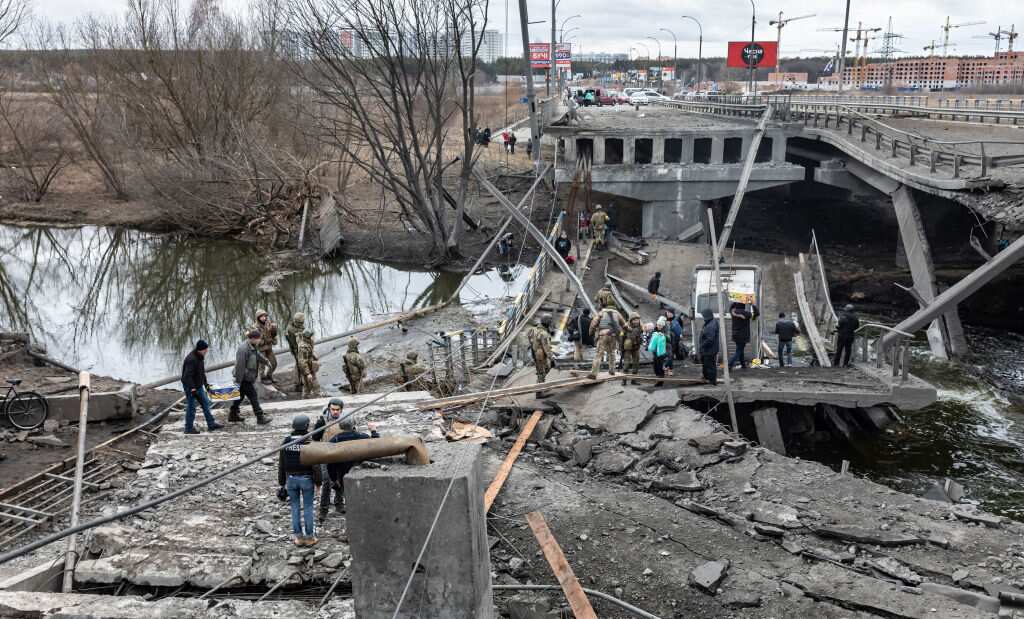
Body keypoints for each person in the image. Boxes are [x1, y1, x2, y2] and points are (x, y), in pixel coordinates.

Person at [278, 414, 322, 546]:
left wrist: (282, 483)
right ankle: (309, 537)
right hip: (306, 479)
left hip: (291, 479)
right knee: (308, 507)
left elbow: (282, 464)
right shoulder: (308, 442)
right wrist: (318, 482)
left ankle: (298, 538)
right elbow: (316, 464)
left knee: (295, 507)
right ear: (306, 426)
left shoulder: (286, 442)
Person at [325, 417, 380, 513]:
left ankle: (352, 513)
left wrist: (333, 478)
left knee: (349, 496)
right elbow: (377, 446)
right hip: (361, 471)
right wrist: (374, 431)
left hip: (342, 473)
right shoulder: (362, 436)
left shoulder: (335, 439)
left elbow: (330, 462)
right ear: (354, 425)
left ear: (340, 426)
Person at [312, 398, 346, 520]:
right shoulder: (322, 421)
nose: (335, 412)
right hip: (326, 455)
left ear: (341, 410)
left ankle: (339, 504)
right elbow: (315, 438)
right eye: (333, 409)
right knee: (327, 482)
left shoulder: (346, 419)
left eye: (338, 410)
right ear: (329, 408)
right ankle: (323, 509)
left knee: (340, 479)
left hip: (341, 454)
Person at [180, 339, 223, 434]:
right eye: (205, 350)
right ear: (201, 349)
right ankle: (188, 428)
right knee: (191, 407)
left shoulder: (200, 357)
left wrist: (206, 384)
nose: (207, 351)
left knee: (205, 403)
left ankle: (211, 424)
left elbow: (201, 373)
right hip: (190, 386)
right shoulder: (191, 359)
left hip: (198, 385)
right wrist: (192, 388)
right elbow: (187, 376)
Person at [230, 330, 270, 424]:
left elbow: (257, 355)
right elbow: (240, 366)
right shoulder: (243, 349)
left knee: (240, 396)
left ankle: (233, 414)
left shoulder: (252, 346)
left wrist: (266, 361)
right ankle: (260, 417)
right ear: (252, 339)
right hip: (244, 378)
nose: (260, 341)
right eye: (258, 339)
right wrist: (239, 381)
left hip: (248, 377)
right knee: (253, 396)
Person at [588, 304, 627, 378]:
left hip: (603, 335)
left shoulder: (601, 313)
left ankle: (593, 373)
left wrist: (591, 333)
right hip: (613, 335)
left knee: (599, 354)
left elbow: (593, 324)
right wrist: (628, 331)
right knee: (612, 353)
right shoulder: (617, 314)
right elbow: (624, 325)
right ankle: (612, 370)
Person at [728, 301, 759, 370]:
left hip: (735, 335)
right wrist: (752, 305)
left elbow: (730, 308)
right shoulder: (747, 313)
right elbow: (757, 313)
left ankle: (743, 365)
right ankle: (729, 364)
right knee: (739, 350)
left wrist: (734, 303)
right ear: (744, 306)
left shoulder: (733, 312)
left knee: (740, 349)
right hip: (743, 336)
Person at [529, 315, 554, 394]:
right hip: (540, 354)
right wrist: (551, 358)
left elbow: (530, 338)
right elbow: (546, 348)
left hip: (535, 352)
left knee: (545, 369)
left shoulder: (534, 329)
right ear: (547, 324)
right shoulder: (544, 333)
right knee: (542, 372)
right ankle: (539, 392)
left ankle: (541, 386)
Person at [253, 310, 278, 384]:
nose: (264, 318)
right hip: (261, 350)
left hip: (269, 349)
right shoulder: (255, 328)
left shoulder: (269, 324)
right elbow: (255, 341)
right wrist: (265, 341)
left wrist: (274, 333)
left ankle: (269, 375)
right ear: (258, 318)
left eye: (265, 316)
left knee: (274, 363)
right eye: (262, 317)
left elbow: (273, 336)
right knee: (262, 366)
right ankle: (263, 379)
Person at [833, 304, 860, 368]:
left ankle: (836, 363)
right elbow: (857, 327)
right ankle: (845, 364)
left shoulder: (843, 316)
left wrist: (837, 328)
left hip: (842, 335)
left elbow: (839, 325)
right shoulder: (855, 318)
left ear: (847, 309)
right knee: (848, 350)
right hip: (850, 336)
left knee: (839, 349)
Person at [296, 329, 321, 397]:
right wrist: (308, 373)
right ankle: (317, 398)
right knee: (314, 386)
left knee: (307, 387)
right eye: (311, 336)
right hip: (307, 370)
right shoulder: (303, 347)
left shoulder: (307, 343)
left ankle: (307, 398)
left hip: (309, 368)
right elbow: (302, 361)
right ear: (308, 337)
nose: (313, 337)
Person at [621, 312, 644, 383]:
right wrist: (621, 348)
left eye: (637, 319)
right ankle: (624, 380)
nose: (636, 321)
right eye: (634, 320)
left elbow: (641, 336)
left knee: (636, 363)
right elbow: (621, 337)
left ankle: (634, 380)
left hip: (636, 347)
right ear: (631, 320)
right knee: (626, 364)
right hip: (628, 348)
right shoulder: (626, 327)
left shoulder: (640, 327)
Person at [699, 308, 719, 385]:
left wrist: (702, 345)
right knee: (707, 364)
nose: (703, 317)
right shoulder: (710, 322)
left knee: (710, 365)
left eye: (703, 316)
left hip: (709, 350)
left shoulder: (711, 325)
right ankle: (707, 378)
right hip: (708, 349)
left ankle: (712, 381)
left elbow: (710, 339)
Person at [285, 312, 306, 388]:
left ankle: (299, 380)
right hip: (296, 349)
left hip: (298, 348)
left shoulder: (294, 326)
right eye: (300, 322)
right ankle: (298, 381)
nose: (301, 324)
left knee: (299, 364)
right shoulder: (292, 330)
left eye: (302, 322)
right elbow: (296, 342)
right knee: (300, 364)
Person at [648, 321, 667, 386]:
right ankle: (658, 379)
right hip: (655, 352)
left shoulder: (665, 331)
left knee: (660, 366)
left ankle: (660, 381)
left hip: (662, 353)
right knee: (655, 366)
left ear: (663, 326)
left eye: (661, 325)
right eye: (658, 325)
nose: (659, 326)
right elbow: (650, 340)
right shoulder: (654, 331)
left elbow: (669, 339)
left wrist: (664, 336)